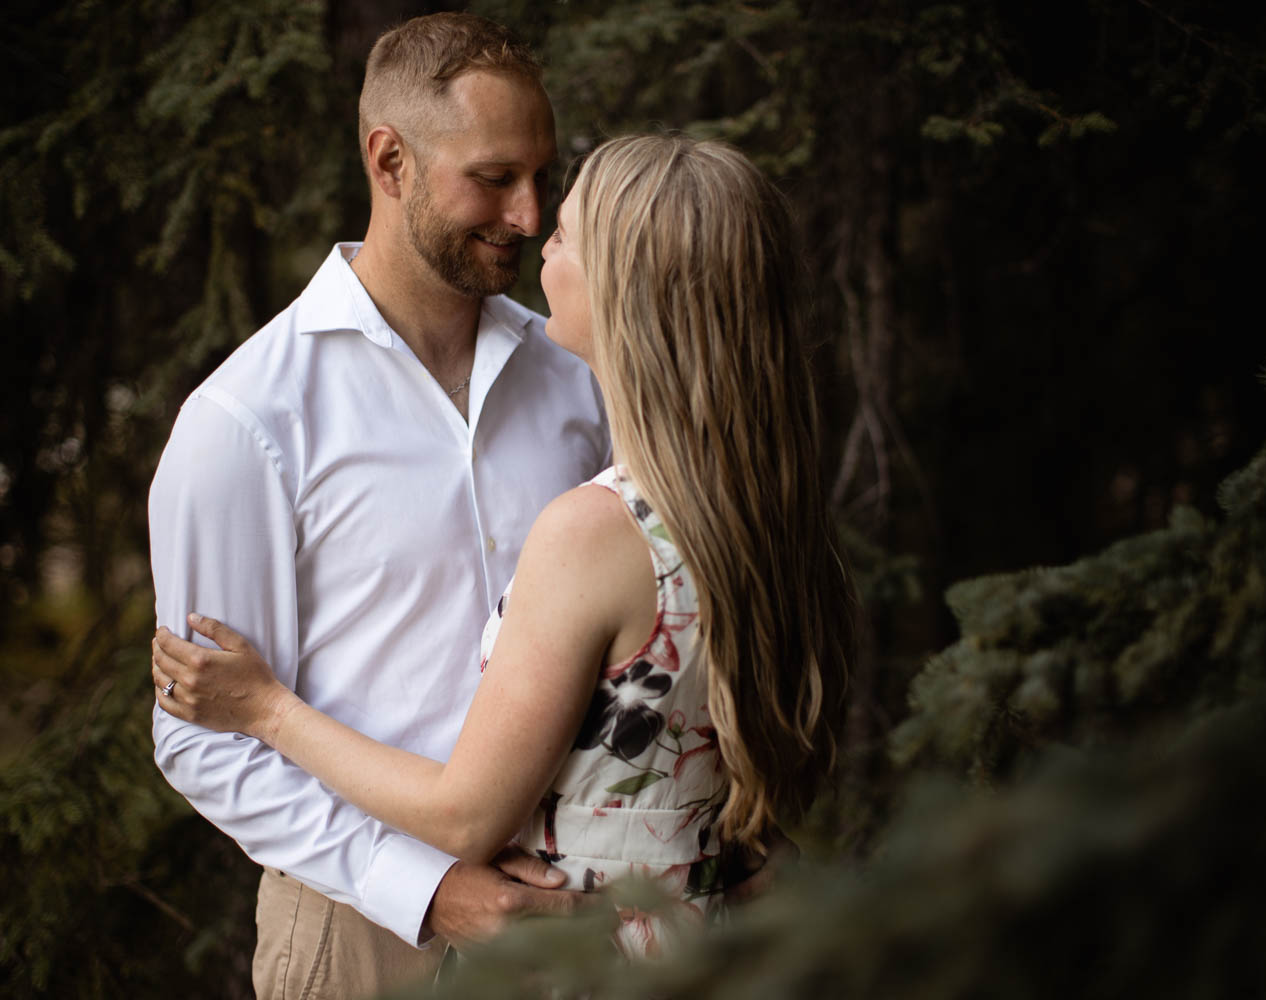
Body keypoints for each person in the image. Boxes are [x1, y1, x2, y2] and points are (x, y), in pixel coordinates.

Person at [152, 134, 858, 960]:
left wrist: (265, 709)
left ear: (628, 290)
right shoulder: (750, 499)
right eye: (500, 182)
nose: (530, 234)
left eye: (562, 232)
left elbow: (465, 815)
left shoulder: (593, 525)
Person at [147, 13, 611, 999]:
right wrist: (424, 886)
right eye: (492, 177)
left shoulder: (579, 381)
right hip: (351, 930)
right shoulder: (246, 418)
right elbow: (198, 731)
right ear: (389, 159)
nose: (529, 215)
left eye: (542, 175)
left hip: (568, 912)